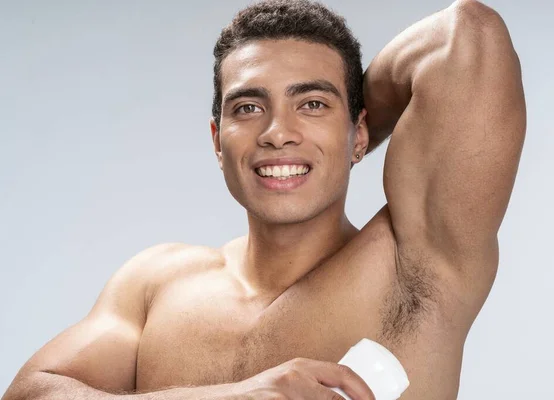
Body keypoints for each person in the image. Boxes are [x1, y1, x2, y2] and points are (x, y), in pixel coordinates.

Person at [2, 0, 526, 399]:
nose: (278, 132)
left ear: (361, 131)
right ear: (217, 140)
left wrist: (346, 138)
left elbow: (464, 36)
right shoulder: (157, 283)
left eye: (312, 102)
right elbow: (29, 393)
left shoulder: (414, 265)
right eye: (249, 107)